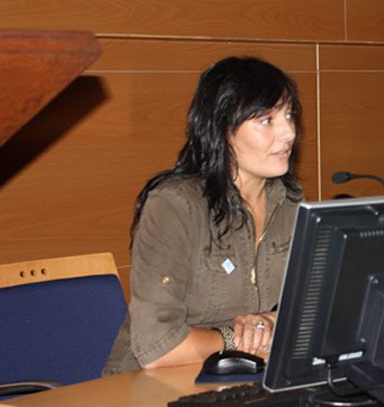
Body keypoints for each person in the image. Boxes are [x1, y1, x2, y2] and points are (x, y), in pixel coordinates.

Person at [104, 56, 303, 374]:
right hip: (149, 384)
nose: (289, 132)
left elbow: (311, 307)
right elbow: (158, 346)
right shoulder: (174, 206)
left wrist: (268, 321)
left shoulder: (291, 203)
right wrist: (234, 339)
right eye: (267, 120)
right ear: (222, 128)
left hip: (244, 378)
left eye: (289, 115)